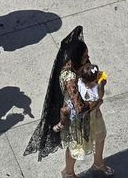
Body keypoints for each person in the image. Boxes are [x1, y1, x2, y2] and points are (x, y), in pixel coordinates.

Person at [25, 28, 110, 175]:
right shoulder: (69, 77)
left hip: (94, 111)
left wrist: (96, 79)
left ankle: (98, 163)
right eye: (85, 56)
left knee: (100, 135)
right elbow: (80, 108)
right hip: (79, 119)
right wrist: (99, 99)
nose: (88, 58)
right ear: (76, 57)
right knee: (76, 148)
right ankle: (68, 173)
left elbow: (90, 77)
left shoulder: (82, 63)